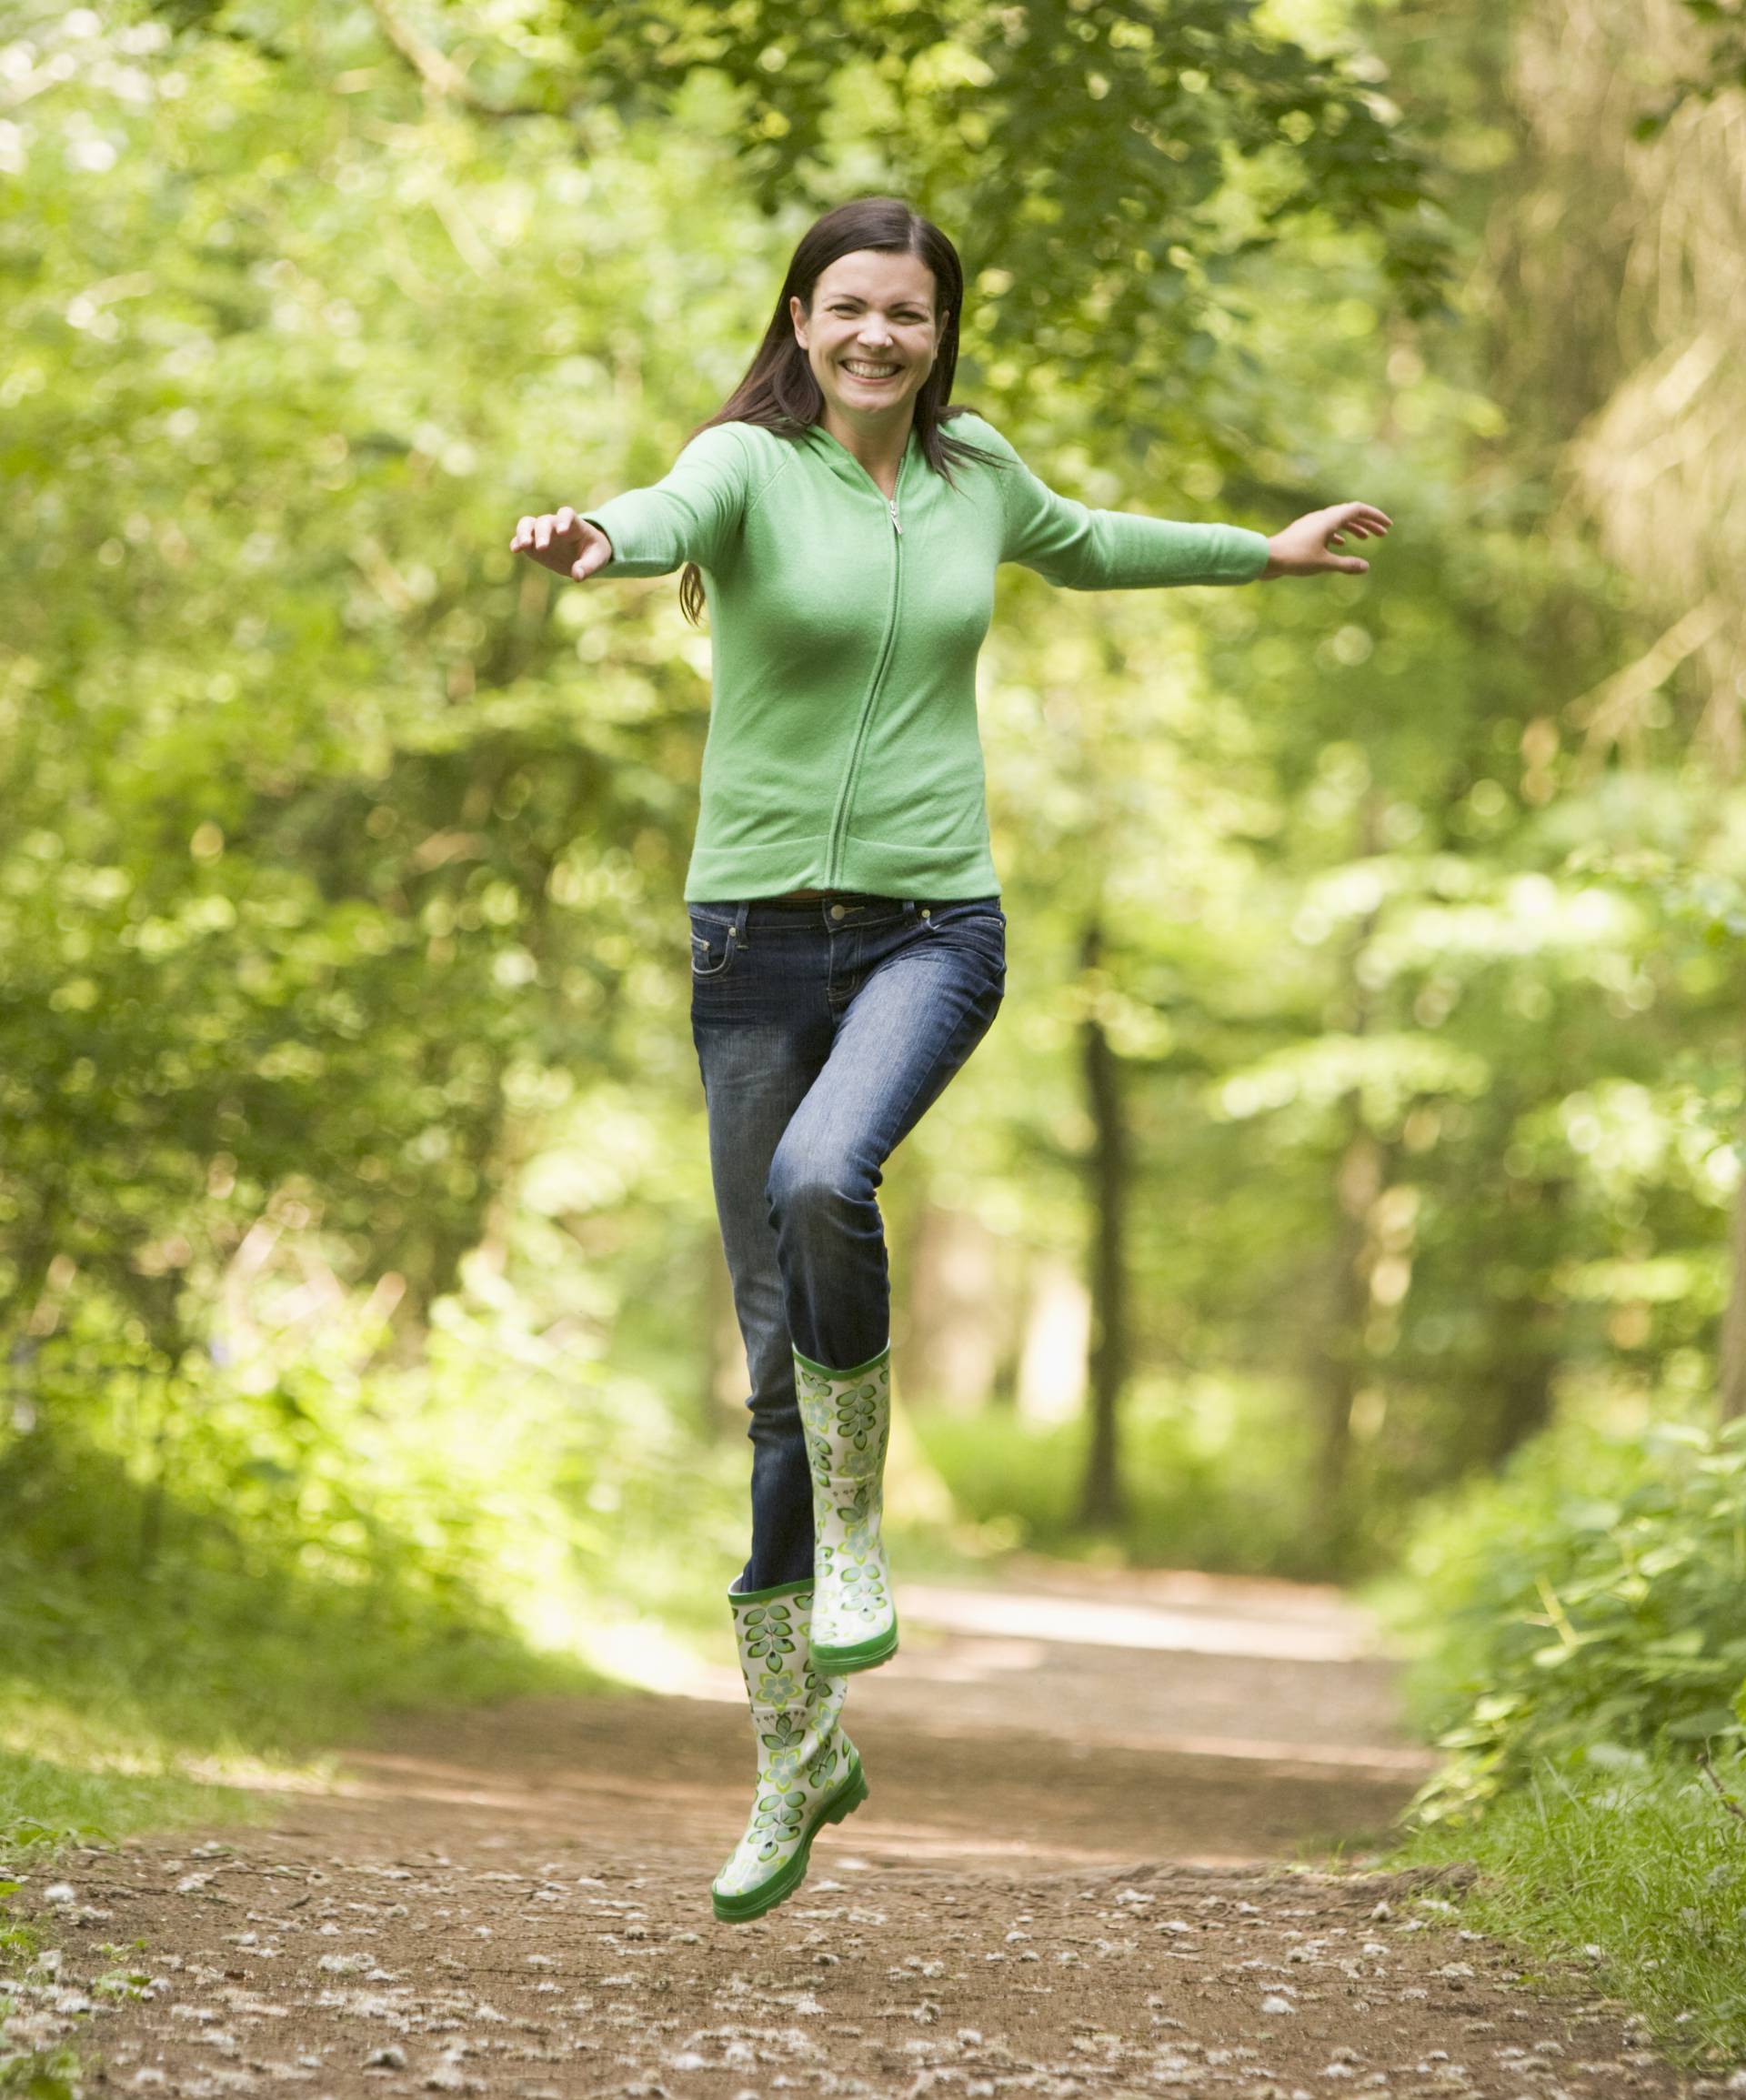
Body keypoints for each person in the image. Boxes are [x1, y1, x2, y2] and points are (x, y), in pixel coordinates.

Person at [510, 195, 1391, 1924]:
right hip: (750, 941)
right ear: (803, 315)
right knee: (773, 1357)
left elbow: (1095, 541)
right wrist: (597, 541)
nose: (877, 339)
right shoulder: (747, 465)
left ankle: (858, 1534)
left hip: (934, 928)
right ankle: (795, 1752)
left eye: (906, 315)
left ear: (939, 331)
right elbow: (666, 507)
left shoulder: (978, 471)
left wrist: (1262, 555)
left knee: (823, 1176)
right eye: (849, 308)